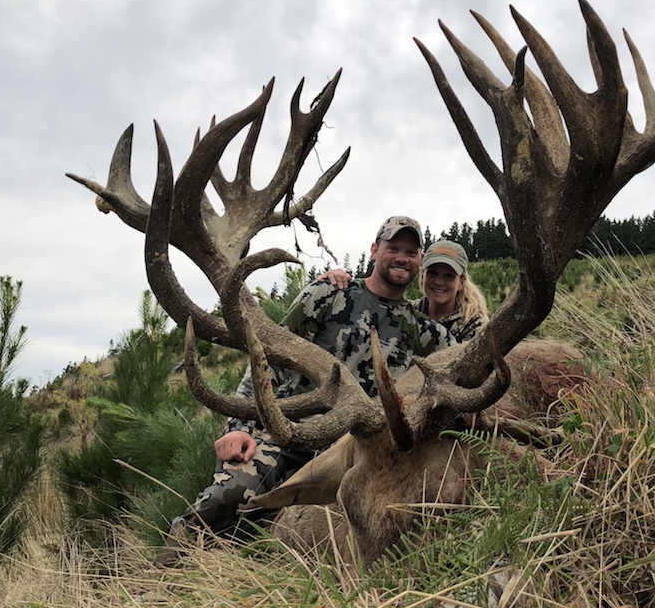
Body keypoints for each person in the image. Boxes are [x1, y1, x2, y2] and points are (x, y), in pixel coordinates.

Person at [158, 216, 455, 564]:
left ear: (419, 261)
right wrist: (238, 427)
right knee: (228, 499)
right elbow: (264, 356)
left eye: (410, 251)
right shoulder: (327, 294)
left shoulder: (426, 333)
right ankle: (165, 570)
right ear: (375, 251)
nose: (401, 258)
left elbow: (471, 358)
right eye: (393, 248)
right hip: (285, 434)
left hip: (350, 453)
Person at [320, 239, 488, 343]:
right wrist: (337, 279)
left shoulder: (474, 325)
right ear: (422, 276)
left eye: (449, 276)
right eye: (433, 273)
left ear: (461, 282)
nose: (439, 281)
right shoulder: (409, 312)